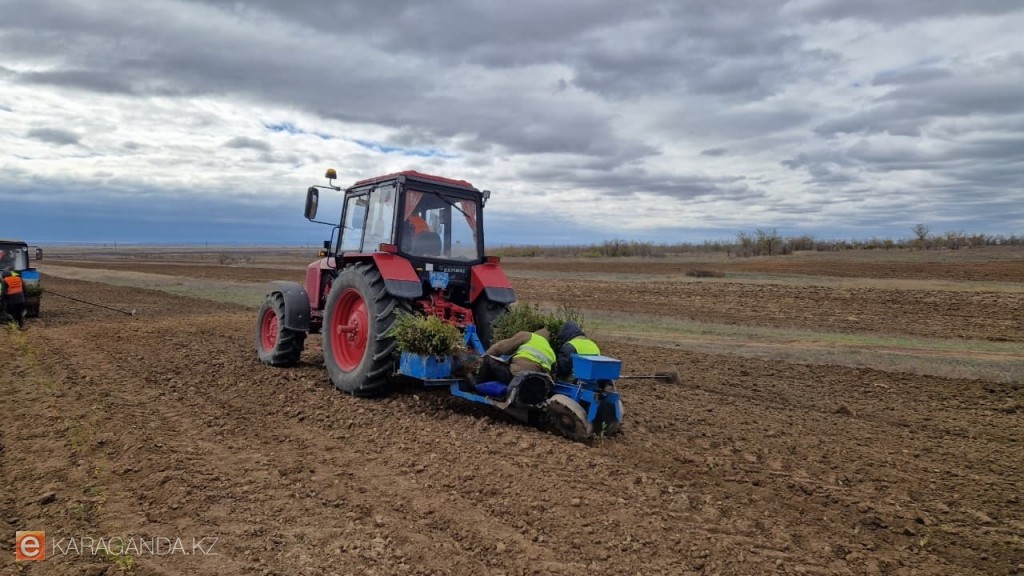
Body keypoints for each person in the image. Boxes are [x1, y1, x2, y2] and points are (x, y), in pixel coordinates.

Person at [468, 327, 556, 389]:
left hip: (515, 377)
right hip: (534, 383)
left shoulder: (529, 336)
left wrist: (482, 359)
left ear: (536, 333)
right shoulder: (551, 352)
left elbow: (500, 348)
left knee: (488, 360)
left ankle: (476, 384)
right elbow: (553, 374)